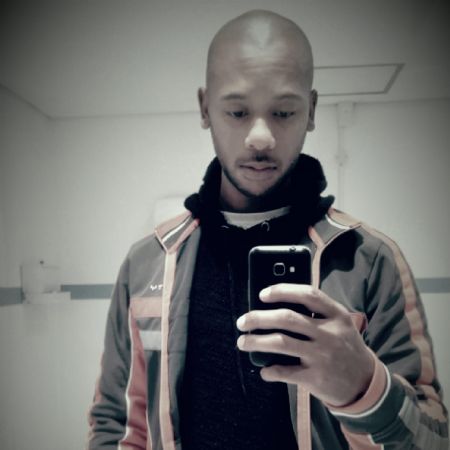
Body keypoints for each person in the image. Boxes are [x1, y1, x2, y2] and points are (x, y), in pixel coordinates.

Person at [87, 9, 449, 450]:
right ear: (204, 107)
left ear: (311, 111)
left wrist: (366, 389)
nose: (260, 137)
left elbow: (433, 439)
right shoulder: (147, 262)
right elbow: (118, 426)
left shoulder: (367, 260)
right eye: (237, 111)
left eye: (283, 111)